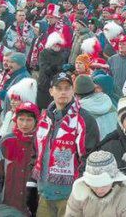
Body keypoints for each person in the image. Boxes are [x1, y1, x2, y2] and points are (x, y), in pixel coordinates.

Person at [32, 72, 100, 216]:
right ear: (51, 91)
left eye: (67, 88)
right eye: (59, 88)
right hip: (44, 192)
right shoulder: (45, 118)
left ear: (73, 91)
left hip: (70, 195)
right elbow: (36, 151)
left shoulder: (84, 119)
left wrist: (80, 188)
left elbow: (90, 157)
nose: (63, 92)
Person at [0, 102, 40, 216]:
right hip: (7, 204)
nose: (24, 124)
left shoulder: (41, 142)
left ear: (36, 121)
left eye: (29, 120)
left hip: (31, 206)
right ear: (15, 120)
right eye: (21, 119)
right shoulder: (6, 142)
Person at [65, 151, 126, 217]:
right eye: (94, 185)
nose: (99, 190)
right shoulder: (80, 192)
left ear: (114, 180)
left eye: (104, 185)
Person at [74, 75, 117, 141]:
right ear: (94, 89)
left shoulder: (80, 113)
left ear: (76, 96)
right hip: (119, 145)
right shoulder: (110, 103)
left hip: (98, 149)